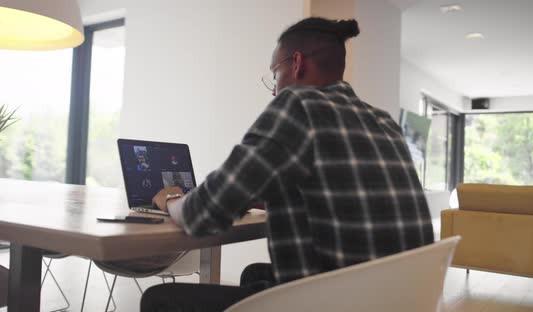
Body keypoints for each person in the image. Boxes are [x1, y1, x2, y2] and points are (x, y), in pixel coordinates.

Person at [142, 17, 434, 311]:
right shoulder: (383, 121)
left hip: (333, 302)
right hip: (393, 297)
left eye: (275, 72)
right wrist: (262, 197)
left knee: (159, 299)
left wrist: (172, 199)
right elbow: (347, 195)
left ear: (296, 63)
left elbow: (202, 213)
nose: (273, 89)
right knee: (256, 275)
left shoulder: (298, 104)